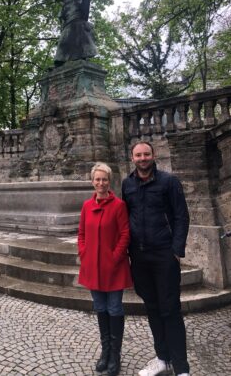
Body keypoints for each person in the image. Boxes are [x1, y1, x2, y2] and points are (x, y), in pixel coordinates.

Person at [122, 141, 190, 376]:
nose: (142, 158)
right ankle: (163, 358)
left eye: (146, 154)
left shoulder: (169, 182)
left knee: (170, 309)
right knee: (152, 308)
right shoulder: (127, 183)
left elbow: (182, 216)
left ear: (153, 155)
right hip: (139, 256)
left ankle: (182, 368)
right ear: (132, 158)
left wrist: (176, 250)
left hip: (164, 254)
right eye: (138, 155)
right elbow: (126, 217)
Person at [78, 162, 132, 376]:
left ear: (110, 181)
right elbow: (81, 233)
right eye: (97, 179)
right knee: (100, 309)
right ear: (92, 182)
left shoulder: (118, 205)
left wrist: (115, 257)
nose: (101, 183)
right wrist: (84, 253)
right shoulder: (86, 206)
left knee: (115, 309)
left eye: (104, 179)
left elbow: (125, 234)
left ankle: (115, 356)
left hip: (113, 267)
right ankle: (105, 352)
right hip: (92, 266)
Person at [54, 0, 97, 65]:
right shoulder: (64, 3)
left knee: (81, 42)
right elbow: (63, 16)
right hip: (68, 25)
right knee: (63, 43)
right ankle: (60, 63)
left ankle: (81, 59)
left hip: (77, 22)